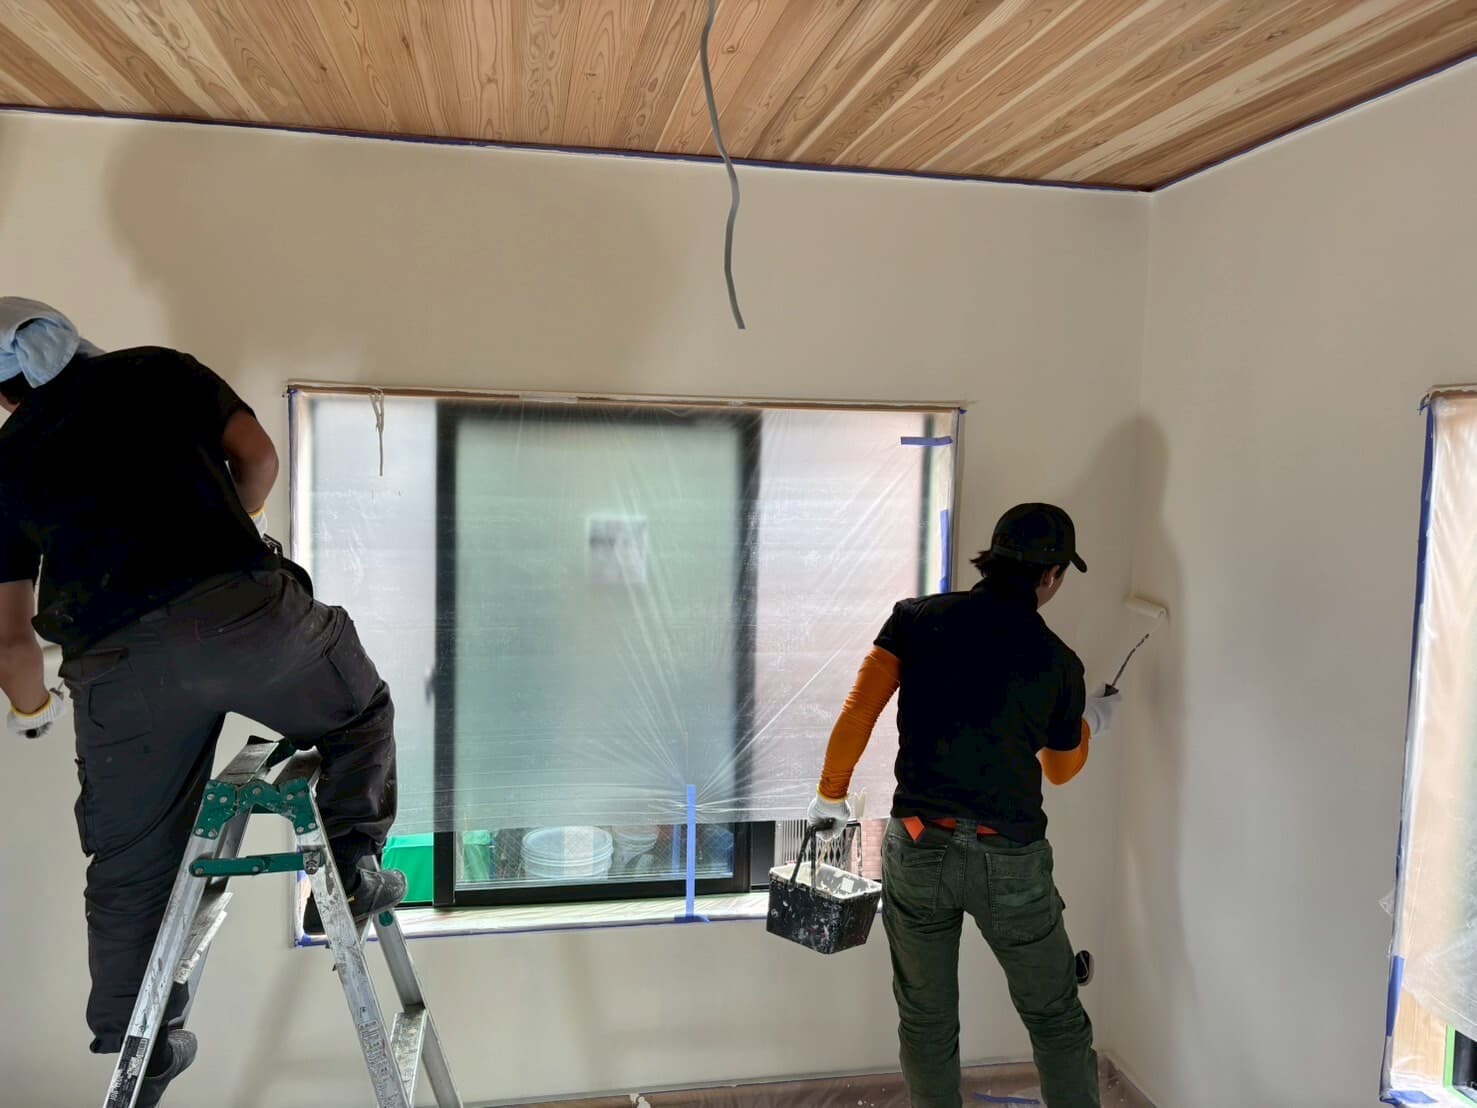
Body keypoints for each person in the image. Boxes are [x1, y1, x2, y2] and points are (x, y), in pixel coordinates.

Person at [0, 298, 404, 1106]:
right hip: (246, 619)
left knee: (131, 861)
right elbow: (259, 457)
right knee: (358, 713)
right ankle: (349, 869)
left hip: (118, 669)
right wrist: (235, 521)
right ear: (74, 343)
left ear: (6, 396)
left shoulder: (4, 460)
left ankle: (136, 1039)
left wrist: (35, 715)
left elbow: (12, 644)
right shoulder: (154, 370)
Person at [807, 503, 1120, 1108]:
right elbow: (1060, 769)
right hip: (1011, 861)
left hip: (918, 844)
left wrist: (830, 794)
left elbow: (859, 710)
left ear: (992, 557)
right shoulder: (1059, 662)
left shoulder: (914, 619)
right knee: (1054, 1018)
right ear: (1052, 575)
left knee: (925, 1020)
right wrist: (1092, 722)